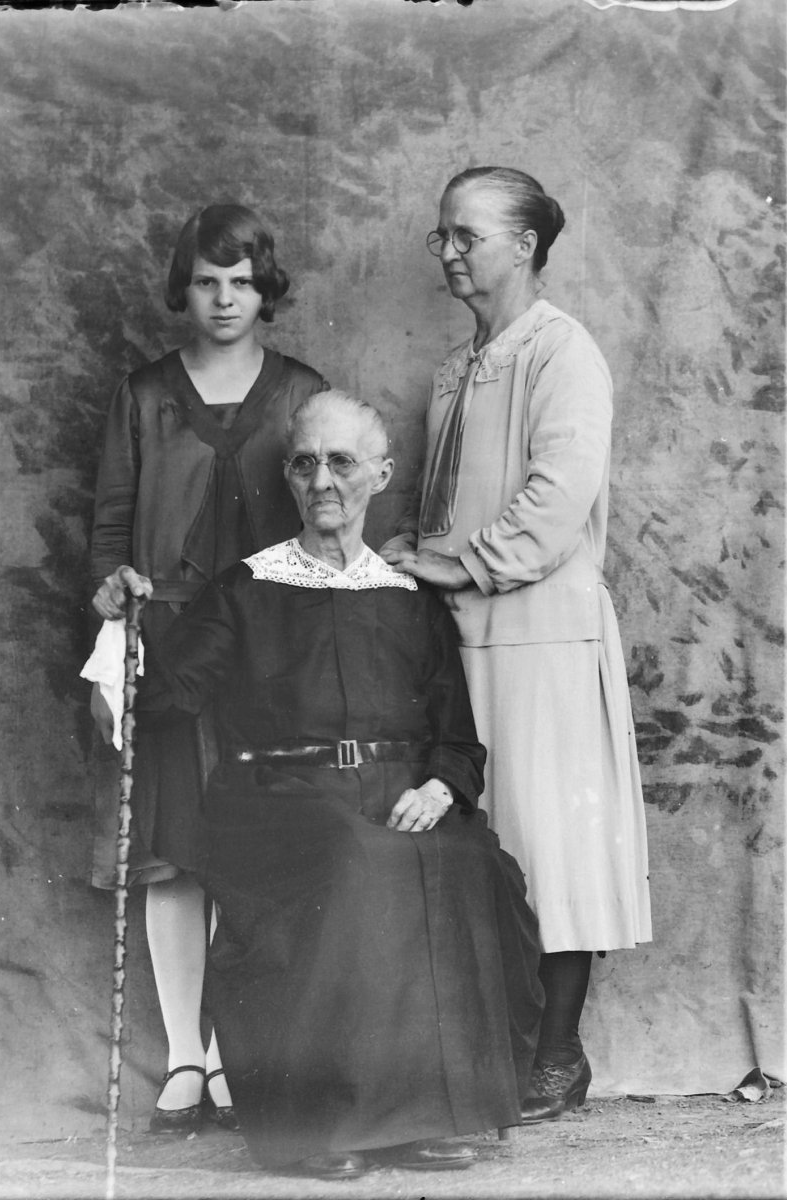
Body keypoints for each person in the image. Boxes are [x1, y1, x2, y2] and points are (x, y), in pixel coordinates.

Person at [128, 390, 546, 1178]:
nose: (322, 481)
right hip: (276, 801)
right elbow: (168, 696)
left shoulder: (409, 601)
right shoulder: (244, 587)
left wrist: (439, 790)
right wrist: (124, 630)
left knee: (464, 862)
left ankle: (419, 1117)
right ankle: (313, 1128)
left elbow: (457, 738)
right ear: (288, 477)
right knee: (353, 862)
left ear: (380, 475)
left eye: (341, 463)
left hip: (398, 794)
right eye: (304, 463)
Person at [381, 167, 652, 1120]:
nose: (449, 252)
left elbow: (557, 498)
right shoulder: (453, 370)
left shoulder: (561, 350)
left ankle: (557, 1056)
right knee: (481, 835)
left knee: (552, 841)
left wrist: (456, 565)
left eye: (467, 235)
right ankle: (496, 1047)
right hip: (461, 636)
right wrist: (409, 552)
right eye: (443, 236)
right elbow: (442, 501)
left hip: (542, 637)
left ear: (525, 246)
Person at [88, 203, 327, 1133]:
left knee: (253, 846)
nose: (225, 299)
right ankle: (186, 1057)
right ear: (181, 290)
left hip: (269, 648)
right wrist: (113, 590)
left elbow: (332, 519)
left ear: (266, 290)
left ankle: (237, 1050)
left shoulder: (301, 390)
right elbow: (112, 527)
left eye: (242, 282)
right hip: (174, 645)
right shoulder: (143, 395)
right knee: (173, 854)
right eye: (205, 282)